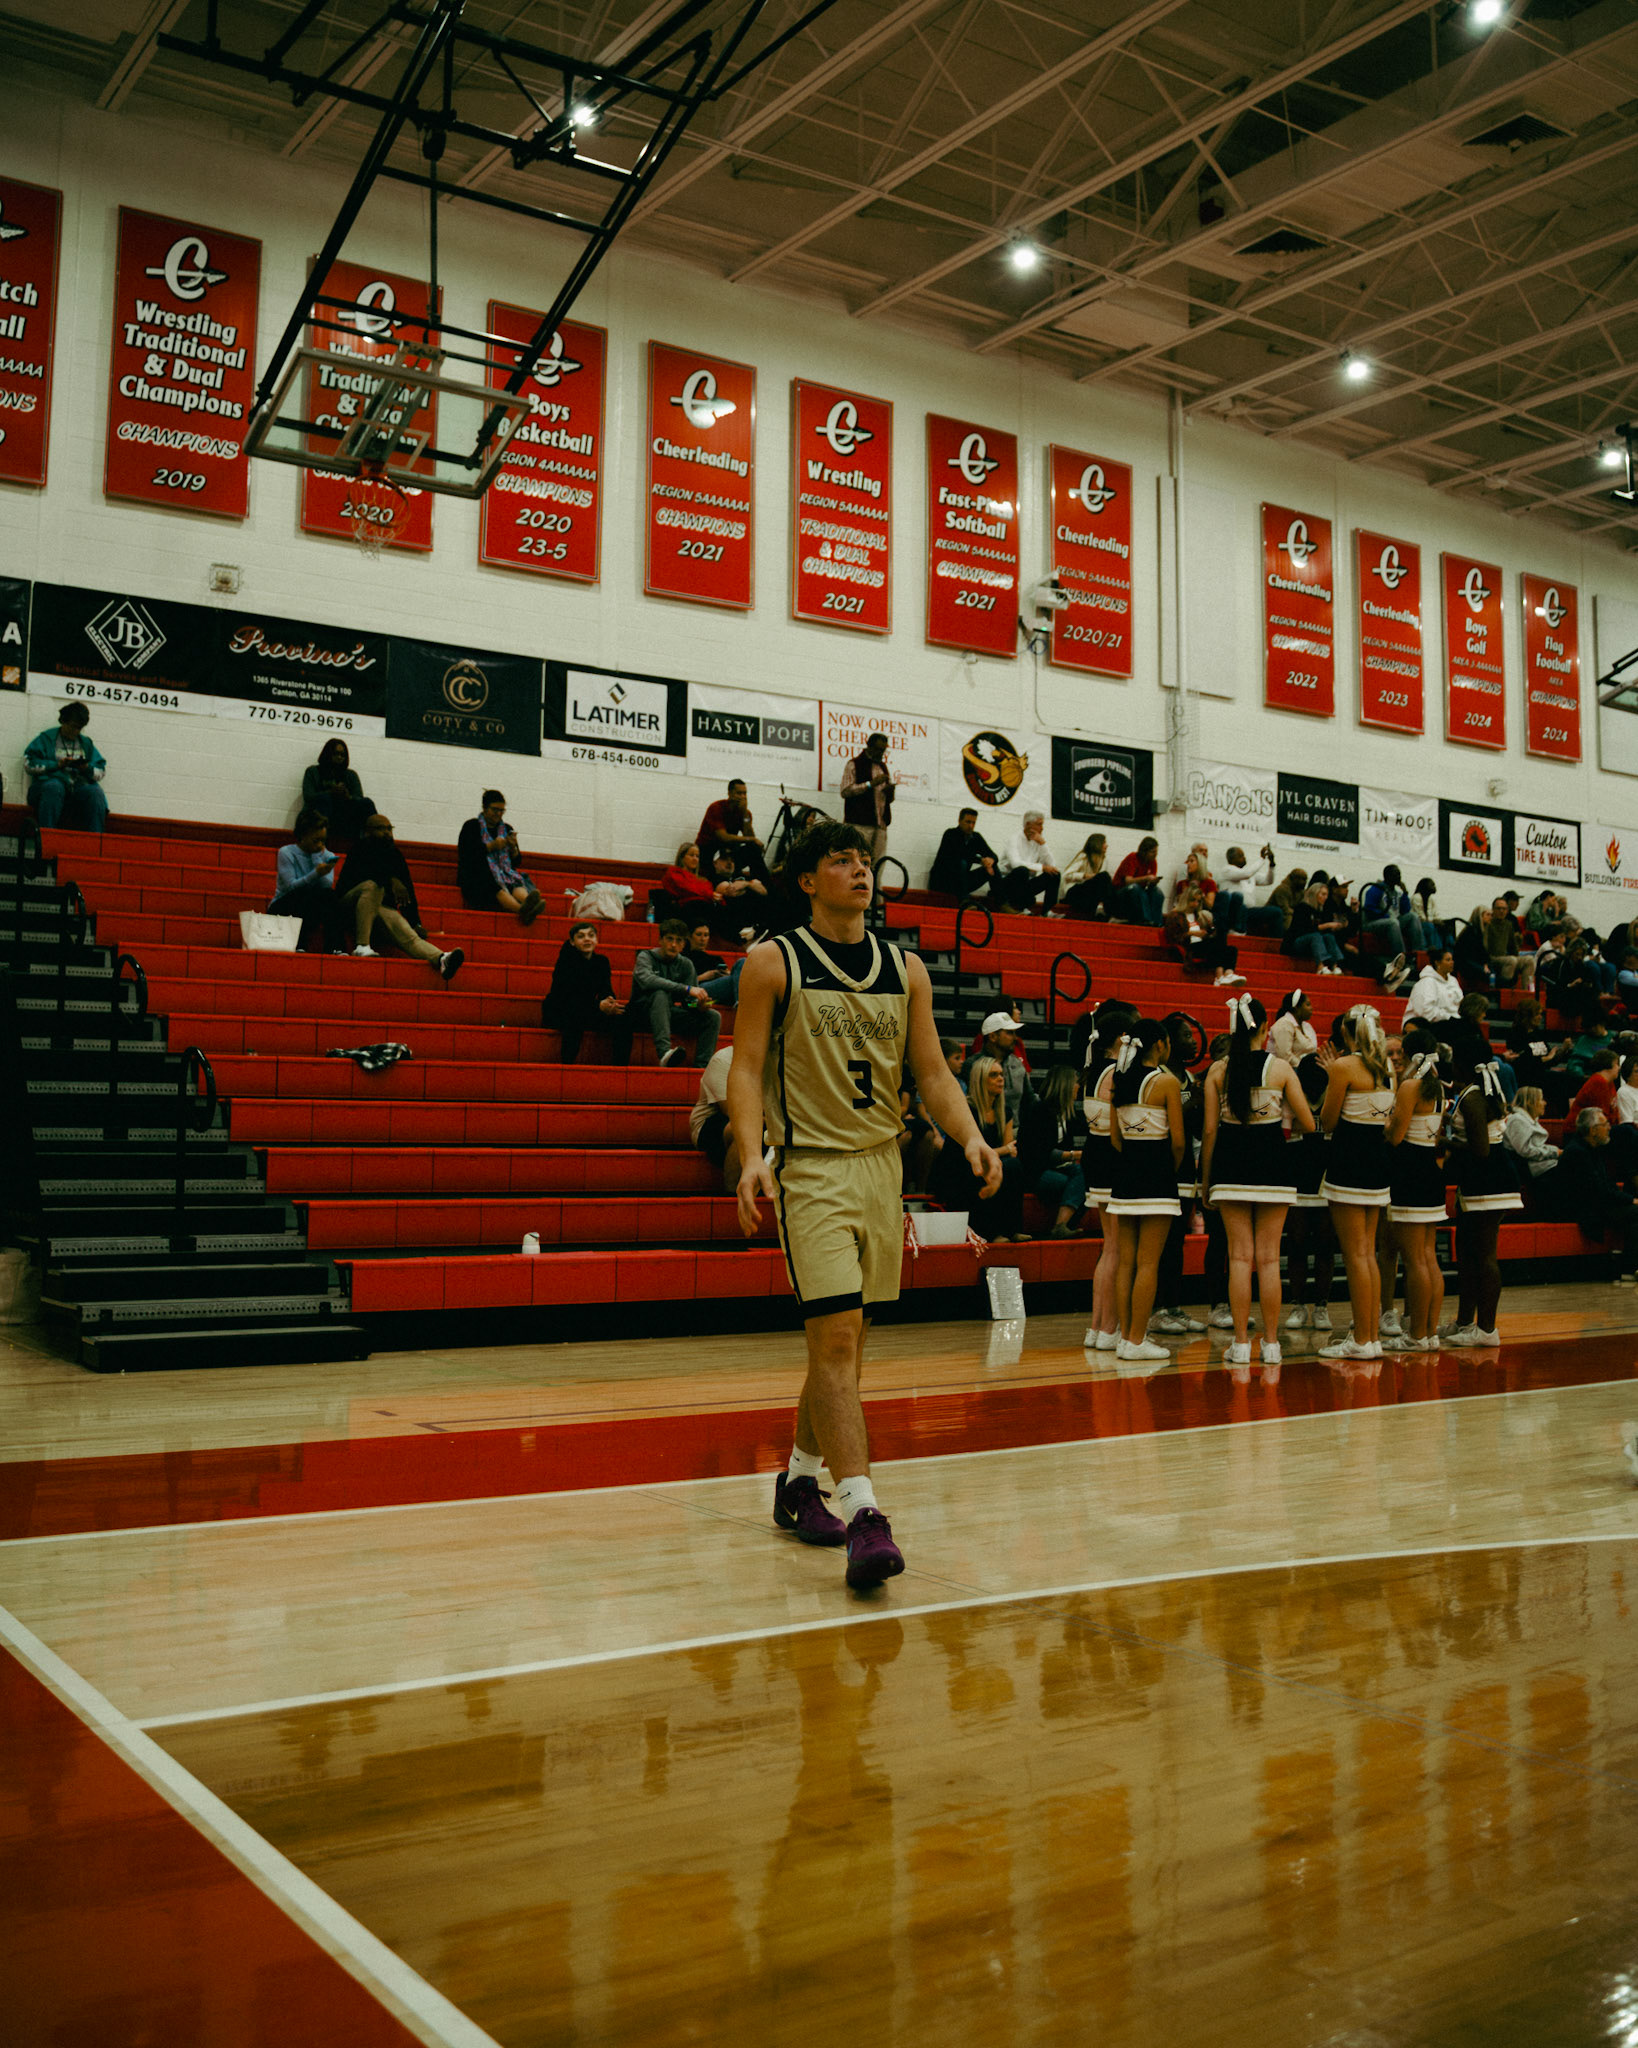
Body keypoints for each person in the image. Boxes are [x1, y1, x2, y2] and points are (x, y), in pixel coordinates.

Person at [729, 819, 1001, 1589]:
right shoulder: (773, 961)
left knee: (845, 1349)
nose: (859, 869)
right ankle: (865, 1514)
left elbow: (933, 1074)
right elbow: (745, 1067)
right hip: (812, 1169)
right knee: (838, 1342)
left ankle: (797, 1481)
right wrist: (750, 1157)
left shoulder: (905, 968)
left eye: (864, 859)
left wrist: (972, 1137)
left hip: (883, 1170)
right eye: (840, 860)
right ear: (807, 880)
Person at [1199, 994, 1314, 1370]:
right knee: (1268, 1260)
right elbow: (1308, 1122)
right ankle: (1272, 1344)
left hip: (1230, 1168)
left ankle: (1239, 1344)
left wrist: (1206, 1181)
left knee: (1238, 1257)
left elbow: (1210, 1131)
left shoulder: (1218, 1071)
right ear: (1265, 1029)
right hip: (1273, 1168)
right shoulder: (1280, 1069)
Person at [1317, 1004, 1396, 1360]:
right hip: (1377, 1165)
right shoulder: (1387, 1067)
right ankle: (1371, 1337)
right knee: (1368, 1254)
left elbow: (1328, 1120)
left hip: (1348, 1164)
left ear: (1347, 1034)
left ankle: (1362, 1340)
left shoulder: (1344, 1066)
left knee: (1355, 1255)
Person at [1106, 1021, 1184, 1363]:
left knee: (1126, 1262)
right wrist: (1167, 1170)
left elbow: (1115, 1139)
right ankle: (1137, 1341)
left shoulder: (1119, 1079)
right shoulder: (1167, 1082)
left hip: (1125, 1179)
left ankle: (1126, 1337)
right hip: (1157, 1179)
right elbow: (1178, 1142)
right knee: (1149, 1263)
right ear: (1160, 1045)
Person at [1445, 1049, 1521, 1346]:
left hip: (1489, 1179)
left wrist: (1444, 1141)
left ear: (1463, 1066)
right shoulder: (1476, 1092)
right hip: (1482, 1179)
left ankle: (1487, 1330)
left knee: (1484, 1254)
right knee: (1467, 1251)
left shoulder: (1473, 1097)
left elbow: (1480, 1149)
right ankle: (1465, 1322)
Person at [334, 815, 464, 980]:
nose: (387, 833)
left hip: (379, 911)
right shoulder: (359, 849)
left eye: (389, 829)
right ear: (367, 832)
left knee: (408, 934)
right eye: (381, 829)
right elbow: (361, 879)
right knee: (373, 887)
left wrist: (415, 923)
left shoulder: (395, 855)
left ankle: (441, 959)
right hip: (350, 907)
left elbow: (407, 893)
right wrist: (390, 879)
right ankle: (362, 946)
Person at [1384, 1026, 1447, 1352]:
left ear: (1410, 1055)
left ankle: (1417, 1336)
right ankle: (1430, 1332)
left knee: (1415, 1261)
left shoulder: (1411, 1086)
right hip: (1431, 1174)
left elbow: (1396, 1137)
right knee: (1428, 1257)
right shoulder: (1439, 1088)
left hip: (1409, 1174)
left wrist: (1385, 1123)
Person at [1080, 1004, 1138, 1351]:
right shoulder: (1116, 1072)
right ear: (1121, 1038)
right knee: (1116, 1248)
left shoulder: (1090, 1070)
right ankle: (1108, 1328)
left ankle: (1097, 1327)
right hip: (1111, 1157)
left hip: (1094, 1156)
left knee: (1109, 1247)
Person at [930, 1055, 1026, 1240]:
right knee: (986, 1170)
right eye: (993, 1075)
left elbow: (1010, 1150)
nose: (1000, 1079)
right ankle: (990, 1232)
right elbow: (968, 1154)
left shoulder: (1004, 1111)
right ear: (980, 1079)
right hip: (958, 1171)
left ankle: (1012, 1230)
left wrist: (1004, 1151)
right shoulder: (966, 1110)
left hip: (983, 1164)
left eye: (1001, 1075)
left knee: (1012, 1166)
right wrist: (1004, 1150)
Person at [1547, 1106, 1638, 1279]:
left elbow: (1605, 1185)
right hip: (1581, 1209)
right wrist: (1630, 1200)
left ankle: (1629, 1266)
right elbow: (1598, 1190)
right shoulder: (1578, 1153)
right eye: (1605, 1124)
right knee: (1635, 1212)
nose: (1609, 1128)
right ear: (1592, 1130)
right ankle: (1629, 1267)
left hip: (1594, 1203)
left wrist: (1628, 1199)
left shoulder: (1592, 1148)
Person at [1283, 1053, 1337, 1334]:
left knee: (1326, 1244)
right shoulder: (1291, 1095)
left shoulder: (1335, 1093)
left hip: (1327, 1177)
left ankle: (1322, 1306)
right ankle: (1298, 1304)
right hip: (1297, 1177)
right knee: (1297, 1242)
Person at [632, 919, 721, 1067]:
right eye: (669, 939)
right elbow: (647, 980)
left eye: (678, 940)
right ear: (660, 940)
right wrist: (686, 988)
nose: (673, 945)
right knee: (660, 994)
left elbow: (688, 1003)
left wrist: (698, 1006)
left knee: (713, 1016)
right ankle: (664, 1054)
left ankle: (702, 1066)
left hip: (667, 1014)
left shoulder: (686, 964)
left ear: (684, 944)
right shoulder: (645, 956)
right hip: (640, 1013)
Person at [543, 922, 632, 1063]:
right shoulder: (566, 961)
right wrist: (598, 1006)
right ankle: (567, 1065)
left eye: (591, 935)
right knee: (575, 1016)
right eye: (581, 936)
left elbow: (606, 988)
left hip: (589, 1008)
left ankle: (620, 1067)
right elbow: (568, 997)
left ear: (596, 940)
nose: (587, 939)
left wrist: (610, 1001)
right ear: (572, 942)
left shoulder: (601, 961)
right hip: (561, 1009)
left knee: (622, 1017)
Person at [457, 791, 543, 922]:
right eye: (494, 809)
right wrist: (491, 846)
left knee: (516, 879)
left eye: (501, 810)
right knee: (490, 880)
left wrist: (513, 848)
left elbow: (516, 862)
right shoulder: (471, 826)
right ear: (485, 808)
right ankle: (522, 910)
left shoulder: (507, 829)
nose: (498, 814)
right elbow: (467, 855)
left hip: (503, 873)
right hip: (476, 876)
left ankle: (528, 902)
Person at [1021, 1064, 1085, 1237]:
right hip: (1035, 1170)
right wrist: (1075, 1155)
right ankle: (1061, 1225)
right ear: (1065, 1085)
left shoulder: (1067, 1113)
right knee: (1072, 1184)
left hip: (1055, 1167)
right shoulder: (1039, 1110)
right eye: (1076, 1082)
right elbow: (1041, 1153)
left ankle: (1063, 1226)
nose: (1079, 1086)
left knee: (1086, 1175)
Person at [25, 701, 109, 831]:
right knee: (54, 787)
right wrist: (56, 765)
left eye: (79, 728)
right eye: (73, 726)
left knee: (95, 792)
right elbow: (29, 763)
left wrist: (86, 768)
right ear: (63, 721)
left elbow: (101, 770)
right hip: (49, 788)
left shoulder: (86, 743)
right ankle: (47, 836)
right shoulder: (46, 739)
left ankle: (95, 839)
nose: (75, 731)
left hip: (76, 789)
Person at [268, 808, 339, 948]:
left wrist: (317, 858)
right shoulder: (286, 852)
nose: (320, 845)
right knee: (304, 892)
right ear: (303, 835)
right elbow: (290, 887)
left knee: (329, 895)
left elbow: (326, 886)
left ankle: (336, 947)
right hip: (285, 904)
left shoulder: (327, 855)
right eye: (316, 840)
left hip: (310, 906)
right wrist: (316, 873)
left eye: (323, 840)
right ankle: (298, 944)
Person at [1163, 885, 1244, 986]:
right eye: (1193, 900)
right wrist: (1191, 933)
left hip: (1201, 944)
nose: (1195, 904)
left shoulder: (1199, 915)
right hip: (1188, 947)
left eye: (1198, 901)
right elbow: (1173, 936)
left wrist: (1209, 930)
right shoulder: (1175, 916)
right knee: (1217, 943)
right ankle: (1219, 976)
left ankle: (1228, 974)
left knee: (1231, 949)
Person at [1505, 997, 1573, 1112]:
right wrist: (1545, 1059)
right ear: (1527, 1016)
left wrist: (1563, 1050)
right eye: (1537, 1014)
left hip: (1541, 1074)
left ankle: (1564, 1115)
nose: (1541, 1017)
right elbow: (1522, 1062)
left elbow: (1550, 1059)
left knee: (1567, 1079)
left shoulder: (1538, 1034)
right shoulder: (1515, 1035)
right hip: (1526, 1077)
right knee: (1560, 1081)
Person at [300, 739, 372, 843]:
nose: (339, 757)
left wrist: (348, 797)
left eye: (343, 755)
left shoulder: (351, 775)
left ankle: (374, 842)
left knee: (367, 802)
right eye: (336, 754)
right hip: (319, 815)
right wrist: (330, 792)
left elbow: (359, 797)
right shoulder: (313, 772)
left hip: (344, 816)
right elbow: (308, 796)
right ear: (327, 754)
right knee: (324, 799)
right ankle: (319, 840)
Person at [1359, 864, 1425, 974]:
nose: (1399, 877)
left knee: (1413, 916)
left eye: (1400, 874)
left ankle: (1417, 956)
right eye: (1396, 874)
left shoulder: (1397, 892)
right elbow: (1369, 910)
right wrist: (1386, 917)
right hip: (1372, 923)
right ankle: (1400, 960)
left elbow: (1406, 910)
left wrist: (1405, 892)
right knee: (1393, 922)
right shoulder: (1376, 889)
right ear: (1387, 876)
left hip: (1392, 922)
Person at [839, 732, 894, 863]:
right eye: (878, 749)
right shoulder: (854, 764)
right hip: (859, 824)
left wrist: (890, 791)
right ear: (869, 746)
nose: (881, 753)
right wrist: (871, 784)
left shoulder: (883, 767)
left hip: (880, 824)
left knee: (878, 863)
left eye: (883, 750)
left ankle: (875, 879)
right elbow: (845, 791)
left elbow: (888, 800)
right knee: (856, 861)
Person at [690, 1045, 739, 1188]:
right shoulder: (724, 1059)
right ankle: (732, 1194)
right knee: (743, 1130)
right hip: (709, 1122)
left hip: (760, 1117)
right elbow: (730, 1110)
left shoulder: (774, 1062)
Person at [929, 809, 999, 901]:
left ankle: (1001, 902)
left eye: (973, 823)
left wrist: (990, 860)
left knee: (993, 866)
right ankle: (964, 901)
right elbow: (959, 854)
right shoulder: (950, 834)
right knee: (961, 863)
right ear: (959, 821)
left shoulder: (976, 837)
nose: (971, 826)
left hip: (961, 882)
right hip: (942, 881)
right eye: (968, 822)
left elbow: (993, 855)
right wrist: (981, 860)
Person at [1000, 811, 1061, 915]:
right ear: (1028, 824)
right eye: (1039, 824)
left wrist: (1043, 844)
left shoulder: (1038, 841)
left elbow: (1052, 866)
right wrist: (1042, 867)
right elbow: (1016, 864)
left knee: (1054, 874)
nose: (1042, 828)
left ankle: (1047, 912)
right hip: (1008, 884)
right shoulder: (1014, 839)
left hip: (1025, 886)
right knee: (1022, 871)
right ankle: (1021, 907)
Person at [1503, 1085, 1560, 1194]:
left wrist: (1556, 1151)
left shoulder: (1528, 1119)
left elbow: (1535, 1146)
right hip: (1531, 1170)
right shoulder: (1517, 1120)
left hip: (1540, 1165)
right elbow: (1526, 1151)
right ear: (1530, 1102)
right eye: (1541, 1099)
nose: (1545, 1103)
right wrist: (1555, 1152)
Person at [977, 1009, 1029, 1128]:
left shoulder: (1017, 1063)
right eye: (1009, 1033)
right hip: (983, 1130)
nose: (1015, 1038)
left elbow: (1029, 1099)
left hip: (1015, 1129)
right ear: (993, 1036)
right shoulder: (974, 1065)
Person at [696, 780, 765, 869]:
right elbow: (724, 837)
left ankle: (761, 878)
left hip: (728, 851)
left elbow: (749, 838)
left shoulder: (745, 813)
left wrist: (744, 813)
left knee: (754, 848)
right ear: (729, 793)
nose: (743, 797)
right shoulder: (716, 808)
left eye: (744, 793)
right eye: (739, 793)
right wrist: (752, 839)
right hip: (708, 850)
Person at [1284, 881, 1347, 973]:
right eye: (1323, 894)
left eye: (1327, 895)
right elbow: (1303, 929)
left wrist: (1335, 927)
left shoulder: (1321, 911)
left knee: (1328, 936)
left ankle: (1335, 966)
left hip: (1312, 944)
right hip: (1296, 942)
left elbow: (1323, 931)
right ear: (1314, 894)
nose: (1326, 897)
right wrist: (1326, 925)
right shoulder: (1302, 907)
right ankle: (1320, 966)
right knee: (1315, 936)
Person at [1219, 844, 1279, 933]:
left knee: (1276, 912)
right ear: (1231, 859)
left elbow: (1268, 881)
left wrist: (1272, 864)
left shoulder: (1248, 873)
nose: (1244, 858)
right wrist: (1262, 858)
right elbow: (1247, 874)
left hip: (1250, 911)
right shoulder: (1227, 870)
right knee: (1241, 906)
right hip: (1235, 911)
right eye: (1241, 856)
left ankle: (1277, 941)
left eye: (1244, 855)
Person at [1403, 947, 1463, 1025]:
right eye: (1448, 960)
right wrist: (1449, 1018)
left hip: (1451, 1021)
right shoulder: (1426, 982)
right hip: (1426, 1024)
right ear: (1437, 963)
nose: (1452, 962)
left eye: (1452, 959)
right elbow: (1425, 1011)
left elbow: (1460, 1003)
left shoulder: (1453, 980)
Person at [1111, 837, 1163, 924]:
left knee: (1157, 892)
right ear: (1144, 852)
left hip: (1139, 892)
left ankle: (1157, 922)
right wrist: (1146, 878)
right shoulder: (1132, 858)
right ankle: (1146, 920)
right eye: (1152, 852)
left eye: (1156, 852)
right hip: (1120, 892)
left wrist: (1153, 882)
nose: (1155, 855)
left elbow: (1148, 886)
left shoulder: (1153, 862)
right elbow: (1128, 881)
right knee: (1135, 888)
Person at [1061, 833, 1113, 921]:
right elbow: (1066, 875)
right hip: (1074, 892)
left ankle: (1103, 909)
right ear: (1097, 844)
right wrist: (1085, 875)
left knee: (1106, 879)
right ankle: (1104, 908)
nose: (1107, 845)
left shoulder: (1104, 860)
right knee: (1105, 876)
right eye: (1104, 843)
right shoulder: (1084, 856)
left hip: (1088, 893)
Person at [1269, 988, 1317, 1066]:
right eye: (1308, 1004)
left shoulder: (1307, 1026)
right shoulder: (1284, 1024)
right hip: (1283, 1069)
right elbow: (1285, 1057)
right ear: (1297, 1008)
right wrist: (1303, 1068)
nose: (1311, 1008)